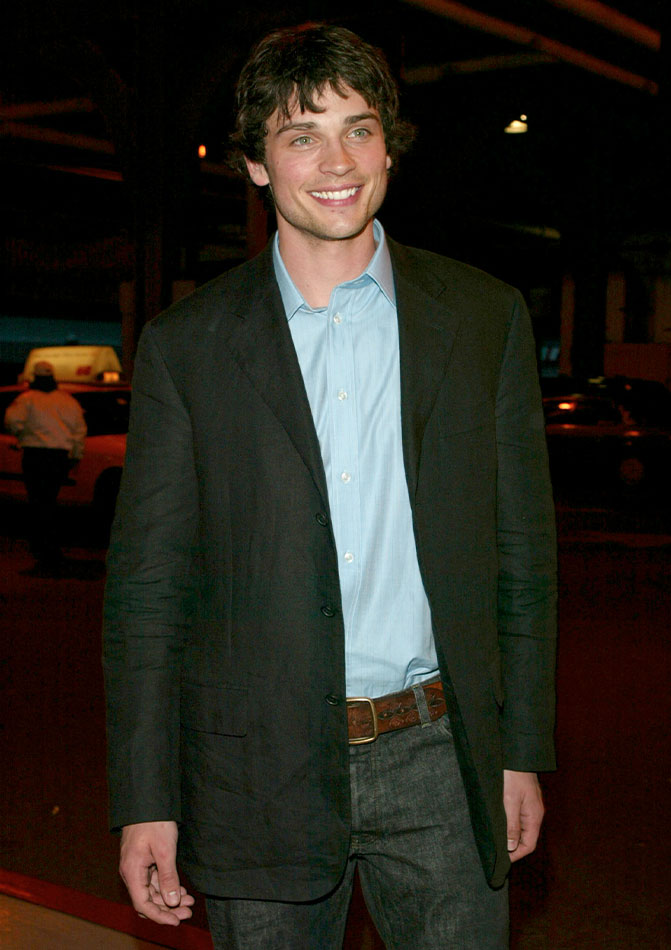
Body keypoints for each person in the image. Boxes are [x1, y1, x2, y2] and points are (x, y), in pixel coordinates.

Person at [103, 23, 557, 950]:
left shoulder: (482, 319)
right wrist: (145, 800)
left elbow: (523, 554)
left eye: (358, 128)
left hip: (440, 754)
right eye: (300, 135)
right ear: (258, 166)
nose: (336, 161)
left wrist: (520, 752)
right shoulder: (187, 348)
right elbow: (148, 592)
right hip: (254, 771)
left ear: (389, 143)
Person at [4, 360, 86, 573]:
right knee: (50, 498)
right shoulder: (68, 401)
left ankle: (43, 546)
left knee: (37, 500)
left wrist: (21, 434)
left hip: (36, 455)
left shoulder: (27, 400)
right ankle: (49, 545)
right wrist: (75, 456)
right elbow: (79, 431)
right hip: (59, 457)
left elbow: (12, 421)